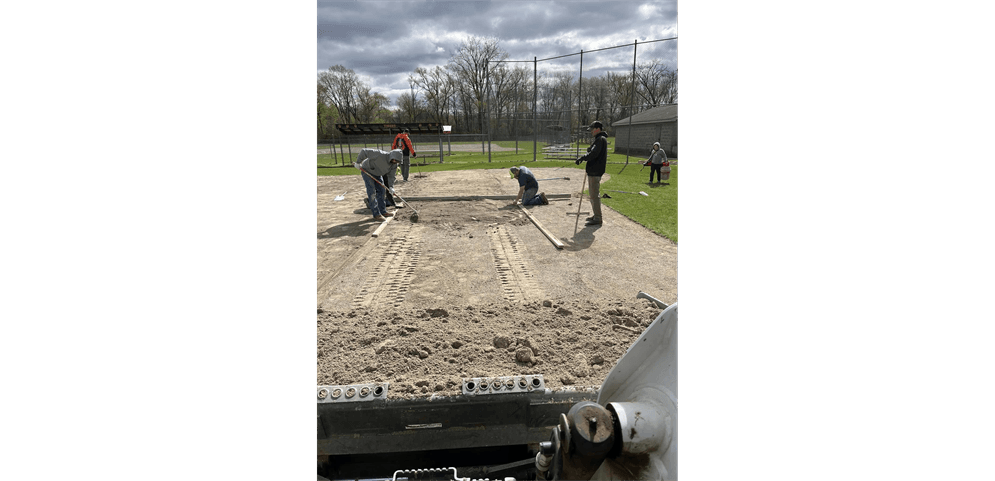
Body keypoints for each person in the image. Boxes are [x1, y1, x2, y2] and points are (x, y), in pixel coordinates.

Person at [575, 120, 609, 226]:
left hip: (595, 171)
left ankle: (598, 218)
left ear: (597, 129)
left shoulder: (600, 139)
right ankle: (596, 215)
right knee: (592, 194)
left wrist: (582, 158)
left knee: (594, 195)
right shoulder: (598, 139)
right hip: (593, 170)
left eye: (592, 130)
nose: (591, 132)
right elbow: (593, 151)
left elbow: (594, 153)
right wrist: (589, 151)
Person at [354, 148, 402, 221]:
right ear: (391, 156)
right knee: (372, 192)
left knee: (382, 191)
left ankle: (383, 211)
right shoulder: (380, 154)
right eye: (394, 159)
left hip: (378, 174)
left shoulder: (394, 165)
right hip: (367, 171)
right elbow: (364, 151)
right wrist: (358, 162)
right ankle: (376, 214)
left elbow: (391, 176)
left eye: (397, 161)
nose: (395, 161)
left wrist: (391, 187)